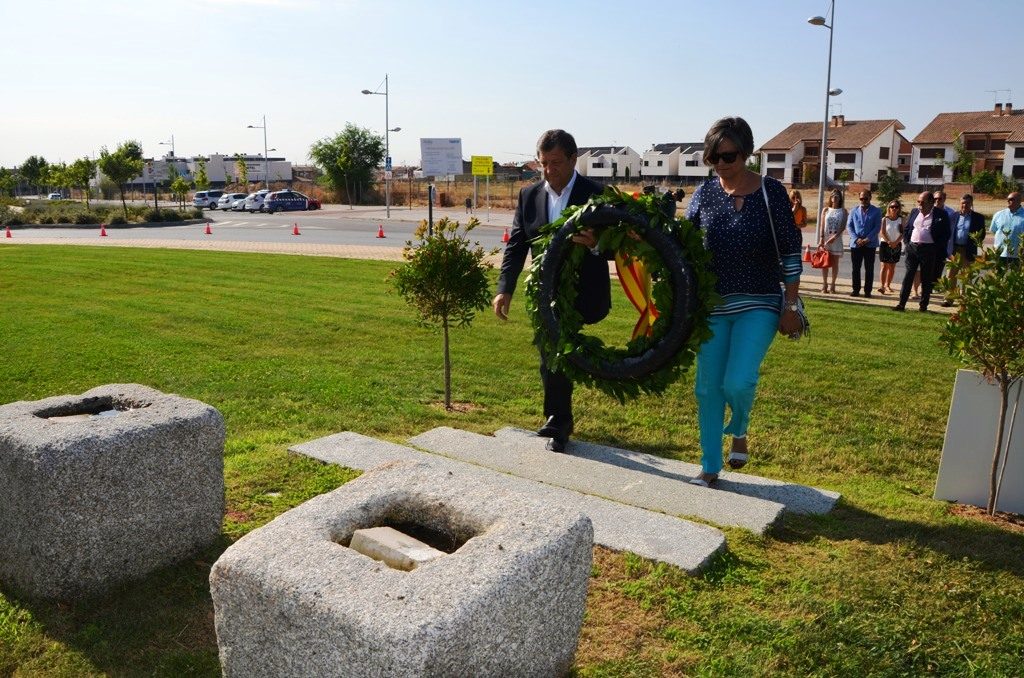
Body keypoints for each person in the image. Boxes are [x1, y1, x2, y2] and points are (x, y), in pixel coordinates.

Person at [685, 116, 803, 487]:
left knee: (737, 381)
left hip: (760, 302)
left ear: (747, 152)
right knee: (707, 388)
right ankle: (708, 467)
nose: (721, 164)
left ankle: (739, 429)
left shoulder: (770, 192)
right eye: (713, 157)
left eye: (729, 156)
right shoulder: (704, 194)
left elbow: (789, 251)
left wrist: (790, 305)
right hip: (713, 306)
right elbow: (684, 245)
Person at [493, 129, 608, 453]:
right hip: (545, 293)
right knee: (551, 353)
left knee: (560, 351)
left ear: (573, 159)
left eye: (556, 162)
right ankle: (559, 419)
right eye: (543, 163)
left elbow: (621, 244)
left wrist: (599, 243)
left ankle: (559, 417)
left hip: (584, 293)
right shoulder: (528, 197)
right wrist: (505, 289)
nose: (548, 170)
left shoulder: (596, 194)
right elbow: (517, 246)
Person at [893, 191, 951, 312]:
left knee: (926, 278)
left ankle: (923, 305)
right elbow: (908, 228)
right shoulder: (915, 212)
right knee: (908, 276)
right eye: (918, 201)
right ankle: (901, 303)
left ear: (931, 202)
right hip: (912, 249)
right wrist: (908, 243)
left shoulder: (941, 214)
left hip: (929, 249)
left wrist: (935, 247)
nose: (920, 204)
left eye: (922, 202)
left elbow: (946, 234)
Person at [942, 194, 986, 306]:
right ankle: (949, 299)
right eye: (963, 202)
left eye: (967, 203)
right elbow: (947, 233)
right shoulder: (953, 216)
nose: (964, 205)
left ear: (971, 204)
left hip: (968, 250)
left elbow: (982, 234)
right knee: (950, 276)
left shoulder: (978, 218)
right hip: (954, 250)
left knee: (967, 276)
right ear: (959, 203)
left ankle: (965, 301)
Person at [846, 189, 882, 297]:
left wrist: (868, 239)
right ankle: (855, 290)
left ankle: (867, 291)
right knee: (856, 268)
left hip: (869, 244)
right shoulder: (853, 210)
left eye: (865, 198)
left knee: (869, 269)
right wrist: (856, 238)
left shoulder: (876, 211)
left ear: (870, 198)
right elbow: (849, 226)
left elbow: (877, 227)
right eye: (861, 198)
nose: (863, 200)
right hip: (856, 244)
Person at [817, 189, 846, 293]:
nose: (835, 197)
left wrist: (835, 237)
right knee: (825, 262)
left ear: (840, 198)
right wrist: (821, 238)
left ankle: (833, 284)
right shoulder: (825, 210)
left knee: (835, 263)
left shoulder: (843, 211)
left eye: (837, 195)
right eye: (833, 195)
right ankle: (824, 284)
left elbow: (843, 226)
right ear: (830, 197)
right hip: (825, 239)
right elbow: (822, 225)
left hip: (836, 240)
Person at [990, 191, 1024, 269]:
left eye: (1011, 199)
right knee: (997, 279)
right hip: (1000, 254)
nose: (1008, 201)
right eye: (1008, 199)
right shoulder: (999, 214)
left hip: (1018, 255)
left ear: (1019, 201)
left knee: (1016, 280)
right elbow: (994, 231)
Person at [877, 201, 903, 294]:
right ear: (889, 208)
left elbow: (902, 233)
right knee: (884, 266)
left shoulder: (901, 219)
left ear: (899, 208)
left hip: (896, 244)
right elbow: (882, 232)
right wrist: (889, 242)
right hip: (885, 244)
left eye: (896, 207)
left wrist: (896, 242)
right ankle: (882, 286)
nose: (894, 208)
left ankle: (888, 285)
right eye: (892, 207)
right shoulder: (885, 219)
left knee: (892, 266)